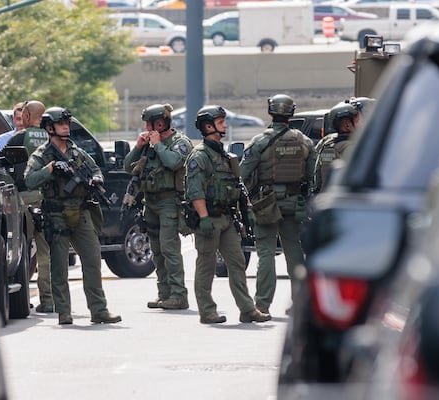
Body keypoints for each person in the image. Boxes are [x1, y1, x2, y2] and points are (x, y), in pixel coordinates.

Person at [24, 106, 121, 325]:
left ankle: (99, 310)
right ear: (49, 128)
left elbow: (96, 170)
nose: (66, 127)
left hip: (81, 210)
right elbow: (29, 180)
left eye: (67, 123)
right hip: (56, 214)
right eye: (61, 124)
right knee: (59, 265)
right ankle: (64, 311)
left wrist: (97, 180)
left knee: (93, 260)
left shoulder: (77, 152)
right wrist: (50, 168)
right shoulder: (42, 154)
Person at [184, 105, 270, 324]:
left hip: (227, 218)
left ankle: (247, 309)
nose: (225, 125)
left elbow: (238, 185)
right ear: (208, 126)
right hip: (209, 219)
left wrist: (248, 209)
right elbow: (195, 191)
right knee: (206, 264)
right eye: (221, 122)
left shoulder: (225, 155)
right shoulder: (200, 156)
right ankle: (207, 311)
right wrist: (203, 218)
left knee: (237, 262)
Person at [240, 94, 316, 317]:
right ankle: (300, 304)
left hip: (266, 204)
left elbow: (242, 174)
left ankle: (262, 305)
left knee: (265, 254)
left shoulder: (259, 142)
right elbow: (312, 177)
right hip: (295, 204)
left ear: (270, 112)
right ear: (291, 113)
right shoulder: (305, 142)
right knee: (294, 253)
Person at [124, 104, 192, 310]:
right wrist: (138, 146)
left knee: (169, 249)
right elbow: (128, 166)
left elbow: (173, 163)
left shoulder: (180, 142)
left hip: (170, 202)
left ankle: (179, 294)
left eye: (150, 123)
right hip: (150, 202)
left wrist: (158, 145)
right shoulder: (148, 145)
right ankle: (164, 293)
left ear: (161, 123)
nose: (146, 127)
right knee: (156, 251)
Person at [2, 100, 53, 313]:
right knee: (46, 252)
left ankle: (23, 298)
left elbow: (1, 164)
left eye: (23, 113)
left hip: (23, 200)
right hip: (49, 200)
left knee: (23, 248)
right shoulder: (53, 140)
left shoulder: (18, 138)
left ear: (28, 116)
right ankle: (50, 300)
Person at [313, 101, 359, 193]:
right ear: (347, 125)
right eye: (357, 120)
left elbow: (316, 178)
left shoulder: (326, 144)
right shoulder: (353, 148)